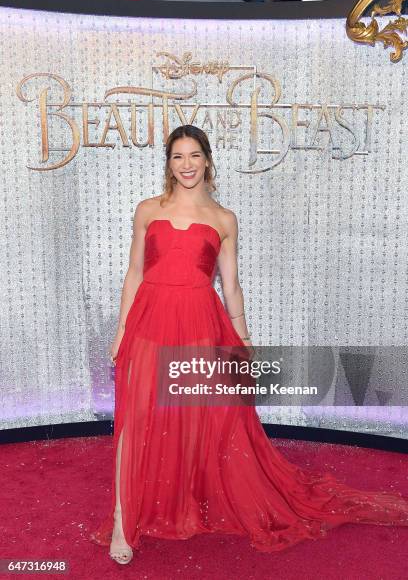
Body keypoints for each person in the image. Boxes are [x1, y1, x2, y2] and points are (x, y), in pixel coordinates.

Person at [90, 124, 408, 565]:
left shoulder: (223, 219)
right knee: (136, 417)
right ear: (168, 163)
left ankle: (184, 500)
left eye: (194, 155)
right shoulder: (147, 210)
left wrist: (243, 337)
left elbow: (231, 286)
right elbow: (134, 273)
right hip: (148, 322)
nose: (186, 164)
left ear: (207, 160)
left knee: (204, 420)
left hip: (202, 323)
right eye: (178, 156)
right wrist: (122, 329)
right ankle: (124, 520)